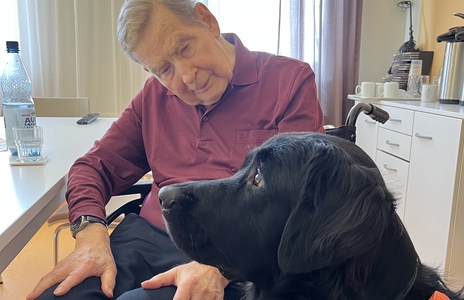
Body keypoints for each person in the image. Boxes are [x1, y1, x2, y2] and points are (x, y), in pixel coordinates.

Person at [27, 0, 324, 299]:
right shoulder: (154, 96)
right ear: (149, 71)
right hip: (146, 238)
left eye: (184, 48)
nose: (186, 76)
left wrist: (222, 267)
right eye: (165, 69)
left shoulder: (289, 81)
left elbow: (302, 197)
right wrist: (91, 237)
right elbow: (92, 168)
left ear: (207, 20)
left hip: (230, 252)